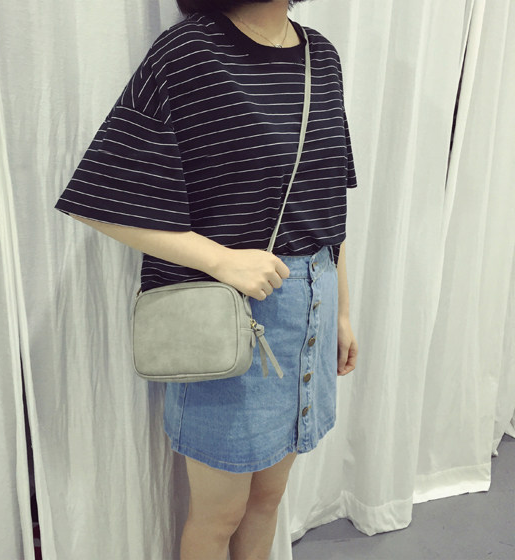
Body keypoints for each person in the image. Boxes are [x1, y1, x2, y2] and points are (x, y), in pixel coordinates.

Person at [54, 0, 359, 558]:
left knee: (268, 499)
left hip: (310, 304)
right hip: (229, 316)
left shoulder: (321, 56)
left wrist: (341, 310)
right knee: (219, 515)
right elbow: (101, 198)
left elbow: (328, 197)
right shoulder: (189, 52)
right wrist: (222, 260)